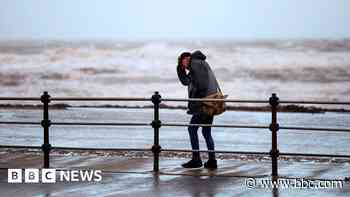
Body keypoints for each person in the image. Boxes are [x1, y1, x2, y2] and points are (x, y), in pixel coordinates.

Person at [176, 50, 220, 169]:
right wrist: (181, 71)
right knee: (206, 132)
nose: (182, 65)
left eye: (182, 62)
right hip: (212, 102)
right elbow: (187, 82)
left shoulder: (195, 64)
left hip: (204, 104)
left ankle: (196, 159)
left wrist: (198, 103)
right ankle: (212, 161)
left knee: (192, 129)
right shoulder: (201, 64)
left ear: (186, 59)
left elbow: (200, 85)